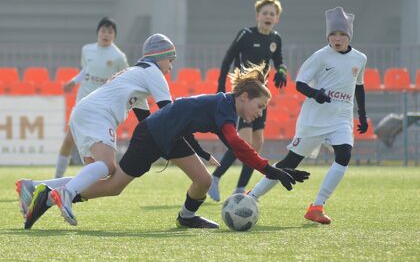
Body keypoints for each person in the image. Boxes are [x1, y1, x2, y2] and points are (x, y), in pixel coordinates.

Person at [24, 63, 310, 229]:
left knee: (202, 180)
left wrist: (201, 151)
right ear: (244, 97)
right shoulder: (227, 107)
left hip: (171, 136)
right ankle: (50, 195)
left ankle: (186, 217)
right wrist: (269, 170)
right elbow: (234, 142)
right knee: (113, 186)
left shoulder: (227, 106)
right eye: (259, 107)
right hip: (152, 134)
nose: (260, 113)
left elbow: (190, 120)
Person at [18, 33, 179, 227]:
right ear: (159, 56)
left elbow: (147, 121)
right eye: (170, 60)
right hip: (98, 114)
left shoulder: (137, 75)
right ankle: (65, 193)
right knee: (108, 166)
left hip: (84, 112)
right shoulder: (153, 72)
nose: (171, 66)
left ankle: (32, 187)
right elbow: (169, 113)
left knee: (94, 176)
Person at [248, 6, 368, 225]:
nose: (337, 38)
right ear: (328, 36)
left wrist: (363, 115)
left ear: (349, 36)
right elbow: (300, 84)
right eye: (333, 34)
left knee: (344, 155)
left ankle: (317, 206)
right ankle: (252, 195)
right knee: (290, 162)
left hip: (341, 119)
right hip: (314, 120)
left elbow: (358, 86)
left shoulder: (360, 59)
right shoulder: (320, 57)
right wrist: (316, 94)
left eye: (342, 34)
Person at [209, 0, 288, 201]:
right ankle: (215, 179)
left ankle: (240, 188)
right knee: (244, 141)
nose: (268, 16)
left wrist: (281, 70)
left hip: (262, 95)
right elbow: (228, 58)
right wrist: (220, 85)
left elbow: (279, 58)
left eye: (272, 13)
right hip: (244, 93)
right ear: (258, 16)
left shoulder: (275, 38)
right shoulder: (245, 34)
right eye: (265, 13)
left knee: (257, 143)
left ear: (277, 18)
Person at [56, 17, 129, 178]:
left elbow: (125, 79)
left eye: (110, 32)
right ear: (98, 33)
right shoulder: (87, 49)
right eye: (103, 30)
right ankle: (56, 180)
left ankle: (102, 180)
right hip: (82, 102)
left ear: (114, 36)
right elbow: (86, 70)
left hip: (102, 107)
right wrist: (73, 81)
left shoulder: (118, 57)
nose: (106, 34)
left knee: (98, 145)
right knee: (69, 140)